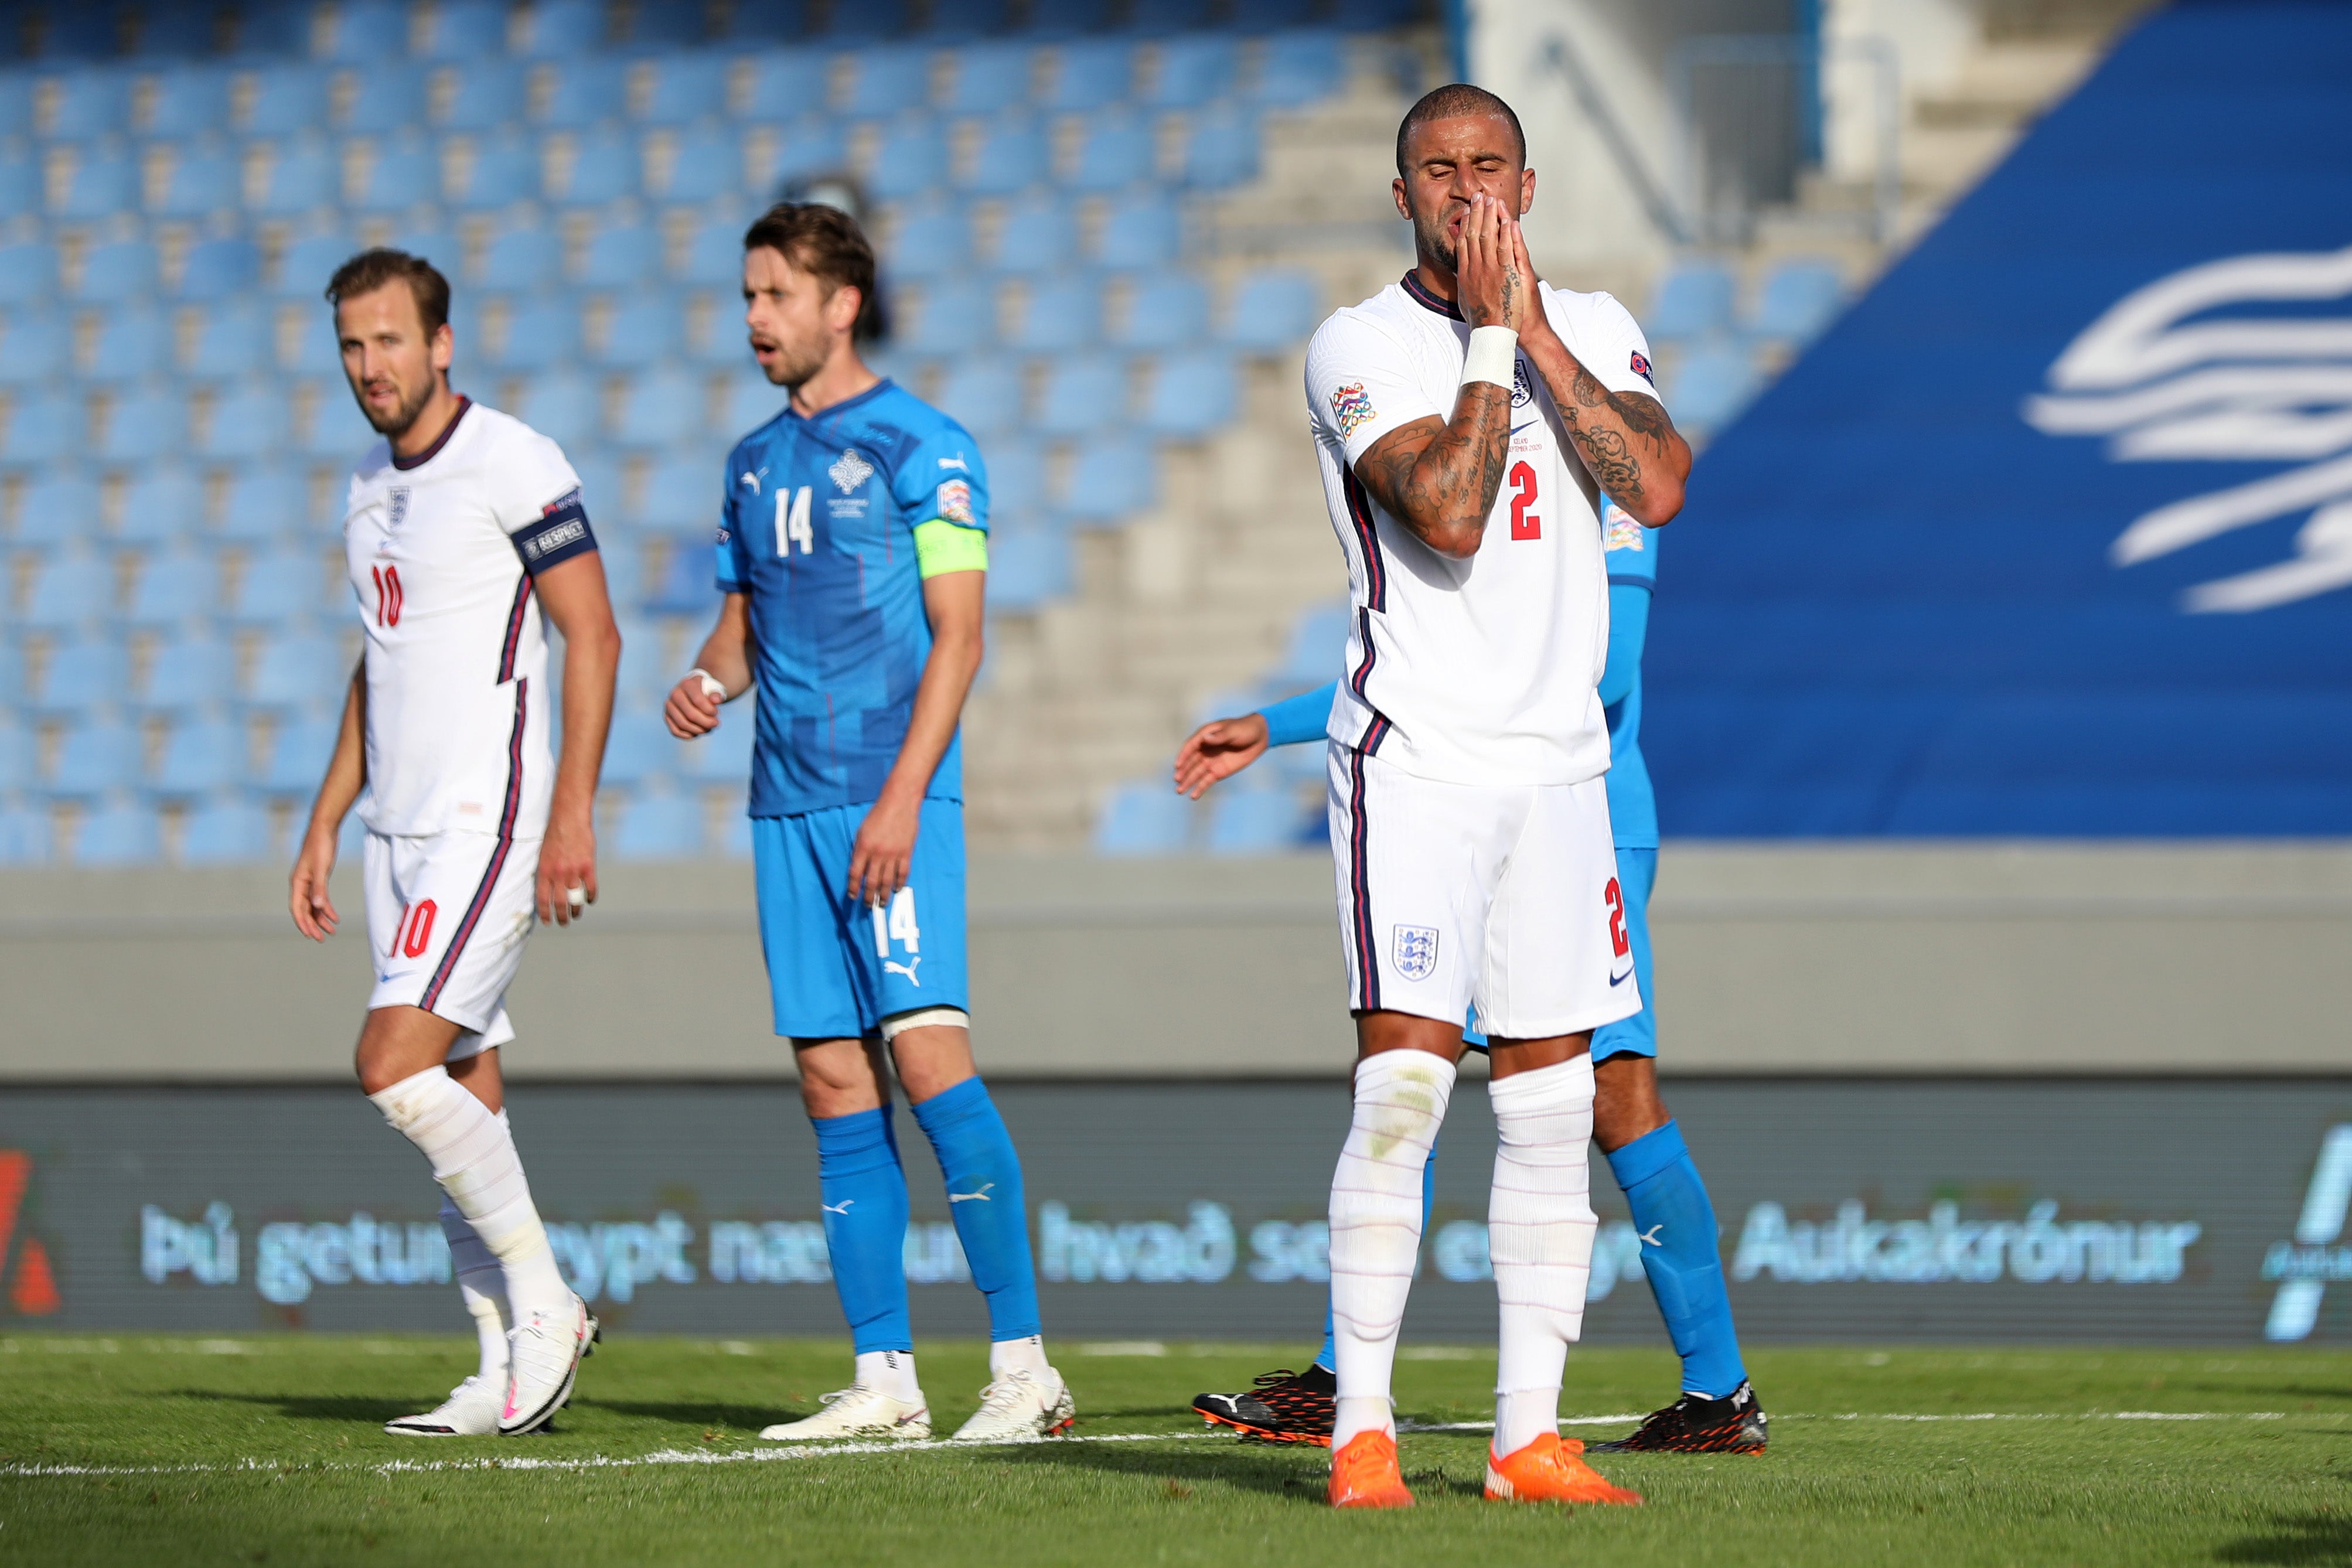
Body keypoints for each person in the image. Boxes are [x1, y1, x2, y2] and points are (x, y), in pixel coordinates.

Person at [1281, 83, 1694, 1509]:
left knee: (1547, 1099)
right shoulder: (1360, 343)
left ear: (1531, 181)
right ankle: (1365, 1434)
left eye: (1492, 168)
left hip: (1561, 767)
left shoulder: (1598, 318)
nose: (1469, 194)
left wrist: (1538, 339)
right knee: (1403, 1088)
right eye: (1439, 172)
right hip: (1421, 761)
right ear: (1402, 196)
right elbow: (1450, 510)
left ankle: (1528, 1437)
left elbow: (1656, 480)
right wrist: (1492, 339)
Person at [1177, 496, 1767, 1456]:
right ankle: (1339, 1379)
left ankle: (1717, 1393)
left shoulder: (1604, 483)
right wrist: (1280, 724)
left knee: (1615, 1098)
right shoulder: (1477, 465)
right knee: (1410, 1066)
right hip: (1456, 807)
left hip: (1581, 823)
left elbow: (1607, 669)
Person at [664, 203, 1071, 1444]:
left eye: (773, 295)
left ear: (841, 305)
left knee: (930, 1060)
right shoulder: (746, 463)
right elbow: (745, 625)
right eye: (746, 297)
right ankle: (885, 1381)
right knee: (833, 1077)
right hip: (782, 803)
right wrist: (706, 678)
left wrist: (901, 796)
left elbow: (963, 636)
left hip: (888, 798)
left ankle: (1024, 1370)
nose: (753, 319)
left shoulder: (925, 445)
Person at [288, 248, 621, 1437]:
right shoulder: (367, 489)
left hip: (491, 816)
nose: (369, 367)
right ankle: (495, 1361)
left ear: (441, 344)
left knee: (393, 1063)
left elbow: (595, 634)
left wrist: (571, 811)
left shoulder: (514, 461)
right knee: (464, 1083)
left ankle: (547, 1306)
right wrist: (328, 816)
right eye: (350, 347)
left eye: (388, 340)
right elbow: (375, 668)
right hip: (399, 827)